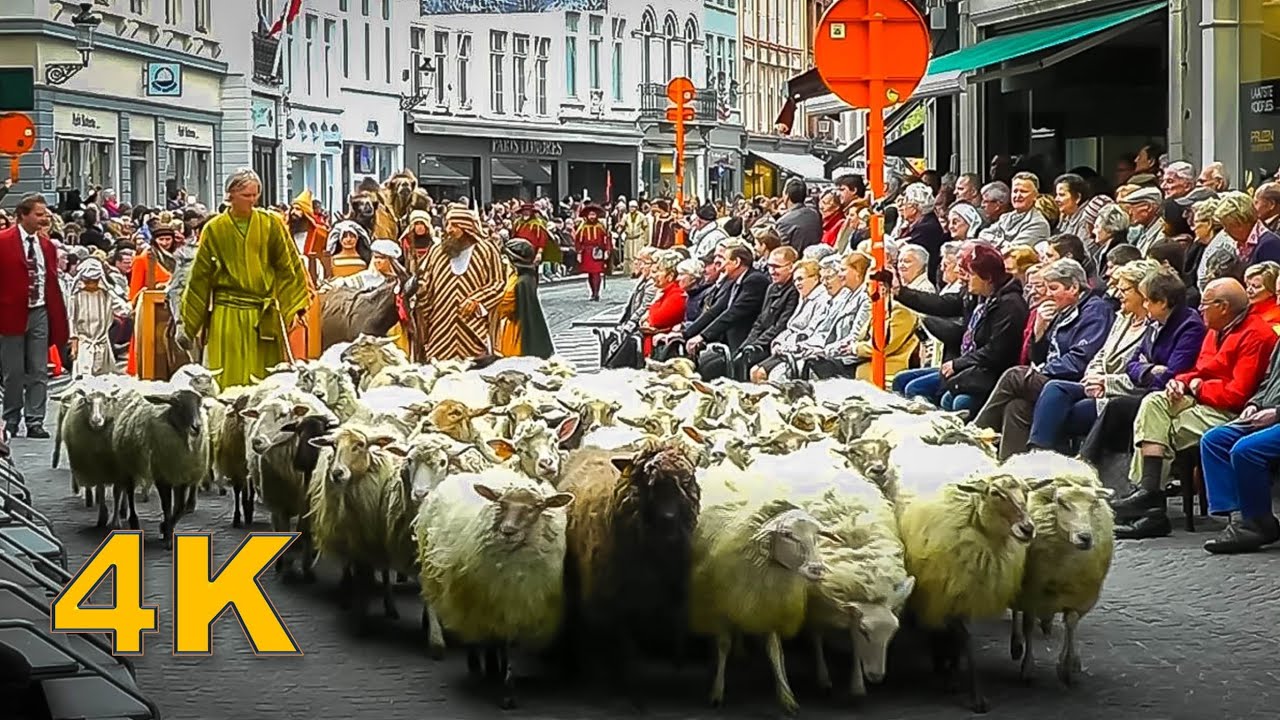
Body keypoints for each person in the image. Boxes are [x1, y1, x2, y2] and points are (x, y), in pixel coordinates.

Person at [177, 169, 312, 389]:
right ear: (230, 195)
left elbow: (287, 266)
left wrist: (296, 305)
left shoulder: (272, 224)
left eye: (255, 195)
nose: (253, 200)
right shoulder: (214, 228)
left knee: (265, 382)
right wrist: (188, 324)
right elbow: (200, 278)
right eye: (246, 195)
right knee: (227, 377)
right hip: (226, 314)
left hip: (263, 316)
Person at [0, 193, 69, 439]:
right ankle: (10, 418)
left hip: (39, 310)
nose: (45, 218)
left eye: (45, 213)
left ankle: (35, 420)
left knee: (40, 369)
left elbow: (50, 280)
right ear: (23, 215)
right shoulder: (3, 241)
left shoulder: (47, 245)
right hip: (10, 314)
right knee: (13, 372)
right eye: (39, 214)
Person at [413, 203, 507, 362]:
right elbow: (425, 281)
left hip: (473, 327)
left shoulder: (486, 250)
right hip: (441, 326)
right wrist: (418, 295)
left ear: (467, 228)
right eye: (447, 224)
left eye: (455, 225)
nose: (449, 229)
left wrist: (477, 300)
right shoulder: (438, 251)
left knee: (475, 370)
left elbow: (498, 284)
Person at [492, 238, 554, 359]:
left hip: (515, 330)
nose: (502, 261)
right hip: (508, 326)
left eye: (505, 257)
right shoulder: (518, 277)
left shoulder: (522, 281)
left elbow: (505, 302)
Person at [68, 259, 129, 378]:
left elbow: (123, 310)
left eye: (94, 281)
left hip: (102, 342)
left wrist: (134, 303)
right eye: (87, 281)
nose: (91, 285)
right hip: (84, 343)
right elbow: (72, 320)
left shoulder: (106, 294)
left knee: (105, 379)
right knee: (84, 377)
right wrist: (74, 344)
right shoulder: (75, 296)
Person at [574, 204, 612, 301]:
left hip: (598, 252)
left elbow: (607, 239)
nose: (592, 217)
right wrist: (578, 252)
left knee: (597, 273)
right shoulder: (582, 227)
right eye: (590, 214)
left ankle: (596, 293)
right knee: (590, 274)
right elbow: (578, 241)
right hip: (586, 252)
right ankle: (592, 292)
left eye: (593, 214)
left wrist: (607, 250)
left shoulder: (601, 226)